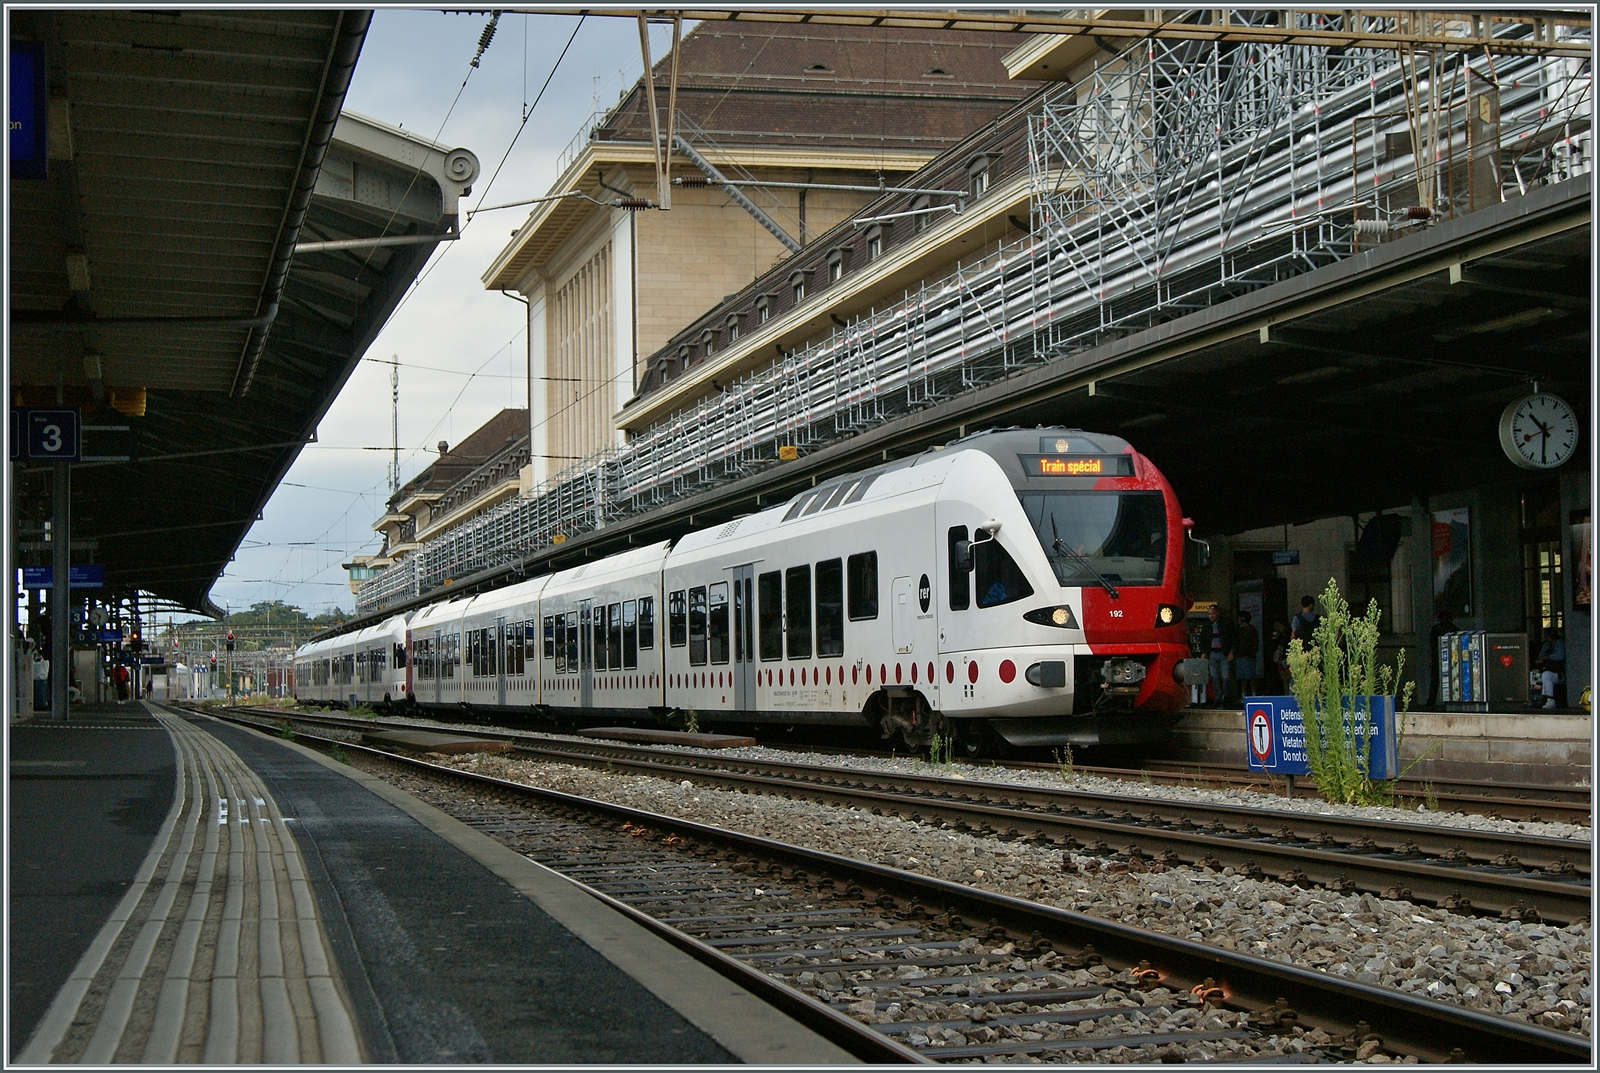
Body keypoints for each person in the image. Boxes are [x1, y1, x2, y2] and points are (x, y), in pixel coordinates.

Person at [1204, 605, 1235, 708]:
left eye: (1213, 613)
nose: (1211, 616)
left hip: (1224, 653)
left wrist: (1232, 652)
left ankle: (1226, 697)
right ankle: (1218, 699)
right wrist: (1203, 652)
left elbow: (1234, 638)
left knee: (1226, 677)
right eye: (1209, 614)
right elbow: (1202, 639)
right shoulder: (1207, 625)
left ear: (1218, 613)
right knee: (1215, 677)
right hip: (1212, 654)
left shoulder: (1226, 624)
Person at [1428, 607, 1456, 708]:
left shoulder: (1436, 629)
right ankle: (1449, 702)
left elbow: (1432, 644)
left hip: (1437, 658)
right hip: (1450, 658)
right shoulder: (1454, 629)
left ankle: (1430, 702)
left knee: (1435, 681)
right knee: (1450, 680)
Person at [1535, 627, 1565, 710]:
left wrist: (1547, 657)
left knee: (1546, 675)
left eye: (1546, 635)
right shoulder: (1546, 645)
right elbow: (1539, 658)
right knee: (1534, 676)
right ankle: (1536, 699)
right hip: (1543, 669)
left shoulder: (1560, 644)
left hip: (1557, 673)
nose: (1545, 637)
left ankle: (1550, 700)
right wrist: (1539, 660)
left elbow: (1560, 656)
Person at [1234, 611, 1260, 700]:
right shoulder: (1238, 631)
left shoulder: (1252, 630)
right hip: (1241, 657)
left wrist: (1248, 654)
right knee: (1242, 678)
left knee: (1251, 677)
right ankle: (1244, 695)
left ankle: (1253, 694)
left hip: (1249, 657)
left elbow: (1255, 645)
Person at [1268, 621, 1291, 694]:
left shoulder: (1289, 636)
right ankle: (1286, 694)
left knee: (1289, 679)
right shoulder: (1278, 637)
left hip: (1287, 659)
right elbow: (1273, 645)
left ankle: (1291, 695)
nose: (1279, 629)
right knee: (1284, 681)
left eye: (1280, 627)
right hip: (1280, 660)